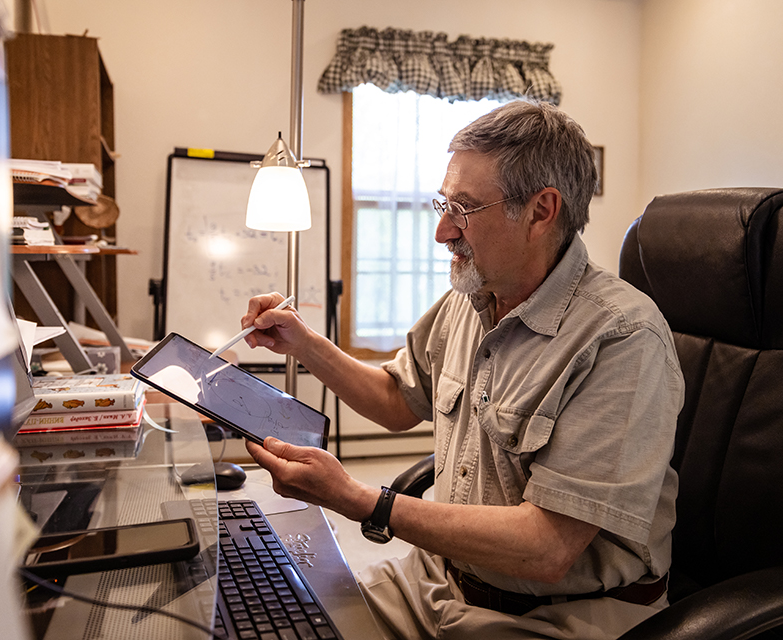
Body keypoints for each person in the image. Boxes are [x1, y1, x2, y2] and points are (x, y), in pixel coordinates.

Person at [238, 99, 684, 640]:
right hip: (442, 579)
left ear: (542, 211)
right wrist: (303, 342)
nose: (442, 231)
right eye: (442, 205)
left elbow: (545, 549)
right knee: (278, 619)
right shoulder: (474, 294)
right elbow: (397, 400)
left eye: (465, 209)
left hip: (559, 615)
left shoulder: (622, 337)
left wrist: (357, 499)